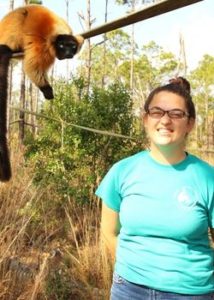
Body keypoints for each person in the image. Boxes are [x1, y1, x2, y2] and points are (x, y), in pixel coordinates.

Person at [95, 77, 214, 300]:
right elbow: (109, 233)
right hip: (128, 289)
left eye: (176, 114)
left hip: (190, 292)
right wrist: (133, 268)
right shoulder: (121, 171)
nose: (165, 120)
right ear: (145, 119)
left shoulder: (208, 178)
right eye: (157, 112)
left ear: (190, 123)